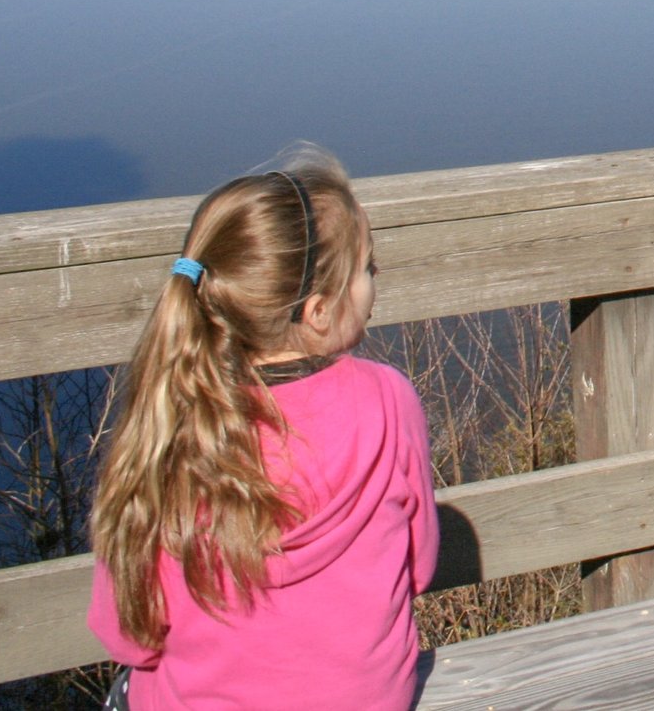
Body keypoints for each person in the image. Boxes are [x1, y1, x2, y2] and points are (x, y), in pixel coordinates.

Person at [89, 155, 437, 711]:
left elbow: (129, 637)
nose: (377, 281)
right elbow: (419, 570)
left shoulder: (173, 427)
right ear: (319, 311)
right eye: (369, 268)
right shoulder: (390, 400)